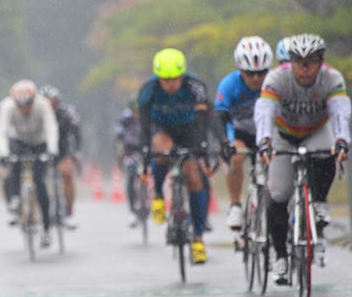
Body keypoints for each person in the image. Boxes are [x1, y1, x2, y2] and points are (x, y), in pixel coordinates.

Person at [254, 33, 350, 285]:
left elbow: (340, 112)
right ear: (289, 62)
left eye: (311, 63)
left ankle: (319, 201)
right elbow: (264, 112)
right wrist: (264, 141)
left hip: (316, 130)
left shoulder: (332, 78)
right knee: (278, 193)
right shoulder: (276, 79)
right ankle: (281, 258)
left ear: (321, 62)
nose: (305, 70)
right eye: (299, 63)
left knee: (329, 149)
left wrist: (342, 140)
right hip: (283, 134)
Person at [138, 48, 211, 263]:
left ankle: (198, 239)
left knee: (193, 176)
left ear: (182, 75)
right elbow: (143, 126)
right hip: (162, 128)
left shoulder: (194, 87)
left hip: (188, 129)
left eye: (175, 79)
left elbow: (203, 119)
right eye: (165, 80)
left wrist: (202, 148)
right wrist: (144, 156)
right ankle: (159, 195)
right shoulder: (148, 90)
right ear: (158, 77)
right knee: (162, 150)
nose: (170, 84)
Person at [211, 36, 273, 230]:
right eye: (250, 73)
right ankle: (235, 205)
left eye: (261, 73)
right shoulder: (229, 84)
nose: (256, 78)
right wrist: (224, 142)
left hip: (267, 134)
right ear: (240, 70)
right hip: (240, 134)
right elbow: (220, 116)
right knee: (236, 156)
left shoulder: (274, 82)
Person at [0, 79, 59, 247]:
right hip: (19, 141)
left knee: (40, 182)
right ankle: (15, 198)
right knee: (13, 165)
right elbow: (1, 132)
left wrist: (52, 151)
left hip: (39, 142)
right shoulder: (7, 107)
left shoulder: (43, 105)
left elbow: (51, 127)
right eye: (20, 105)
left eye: (28, 104)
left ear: (34, 100)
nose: (24, 109)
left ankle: (46, 229)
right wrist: (3, 154)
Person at [39, 85, 81, 230]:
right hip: (42, 149)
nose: (50, 107)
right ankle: (38, 214)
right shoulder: (37, 115)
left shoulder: (66, 114)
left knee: (67, 174)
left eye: (53, 104)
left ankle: (68, 213)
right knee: (36, 177)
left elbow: (76, 134)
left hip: (62, 149)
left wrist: (75, 152)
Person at [115, 102, 142, 227]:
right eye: (134, 111)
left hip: (144, 148)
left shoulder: (147, 117)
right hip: (130, 150)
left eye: (139, 111)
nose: (137, 114)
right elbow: (119, 138)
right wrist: (120, 153)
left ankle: (148, 199)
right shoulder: (125, 119)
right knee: (131, 176)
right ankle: (133, 208)